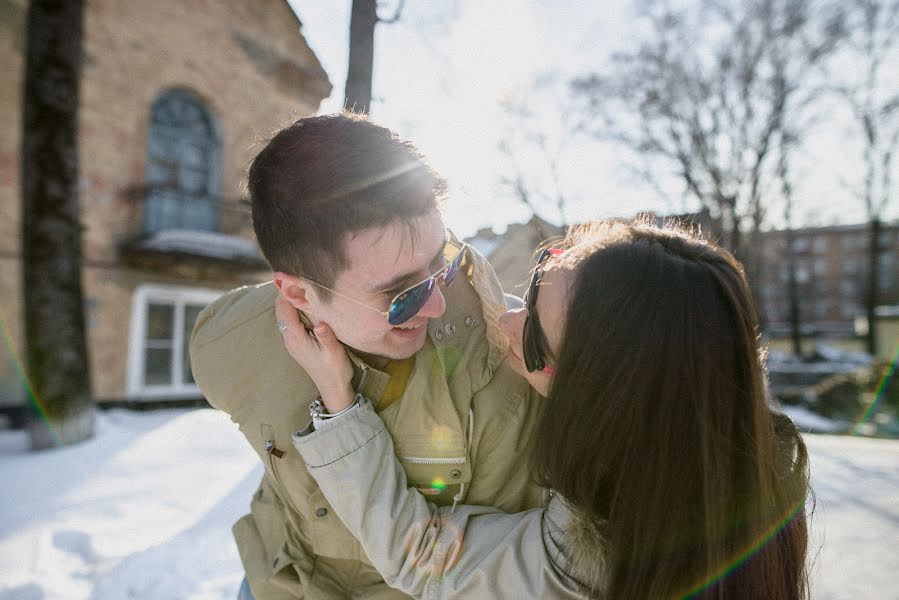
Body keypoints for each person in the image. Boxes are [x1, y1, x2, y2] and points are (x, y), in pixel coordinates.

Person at [280, 219, 811, 600]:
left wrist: (340, 402)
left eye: (534, 334)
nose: (506, 324)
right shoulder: (728, 423)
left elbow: (421, 558)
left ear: (592, 398)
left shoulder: (589, 562)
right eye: (539, 277)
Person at [189, 114, 545, 599]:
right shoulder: (227, 345)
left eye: (440, 265)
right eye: (401, 295)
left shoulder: (510, 371)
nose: (437, 305)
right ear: (298, 294)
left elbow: (502, 566)